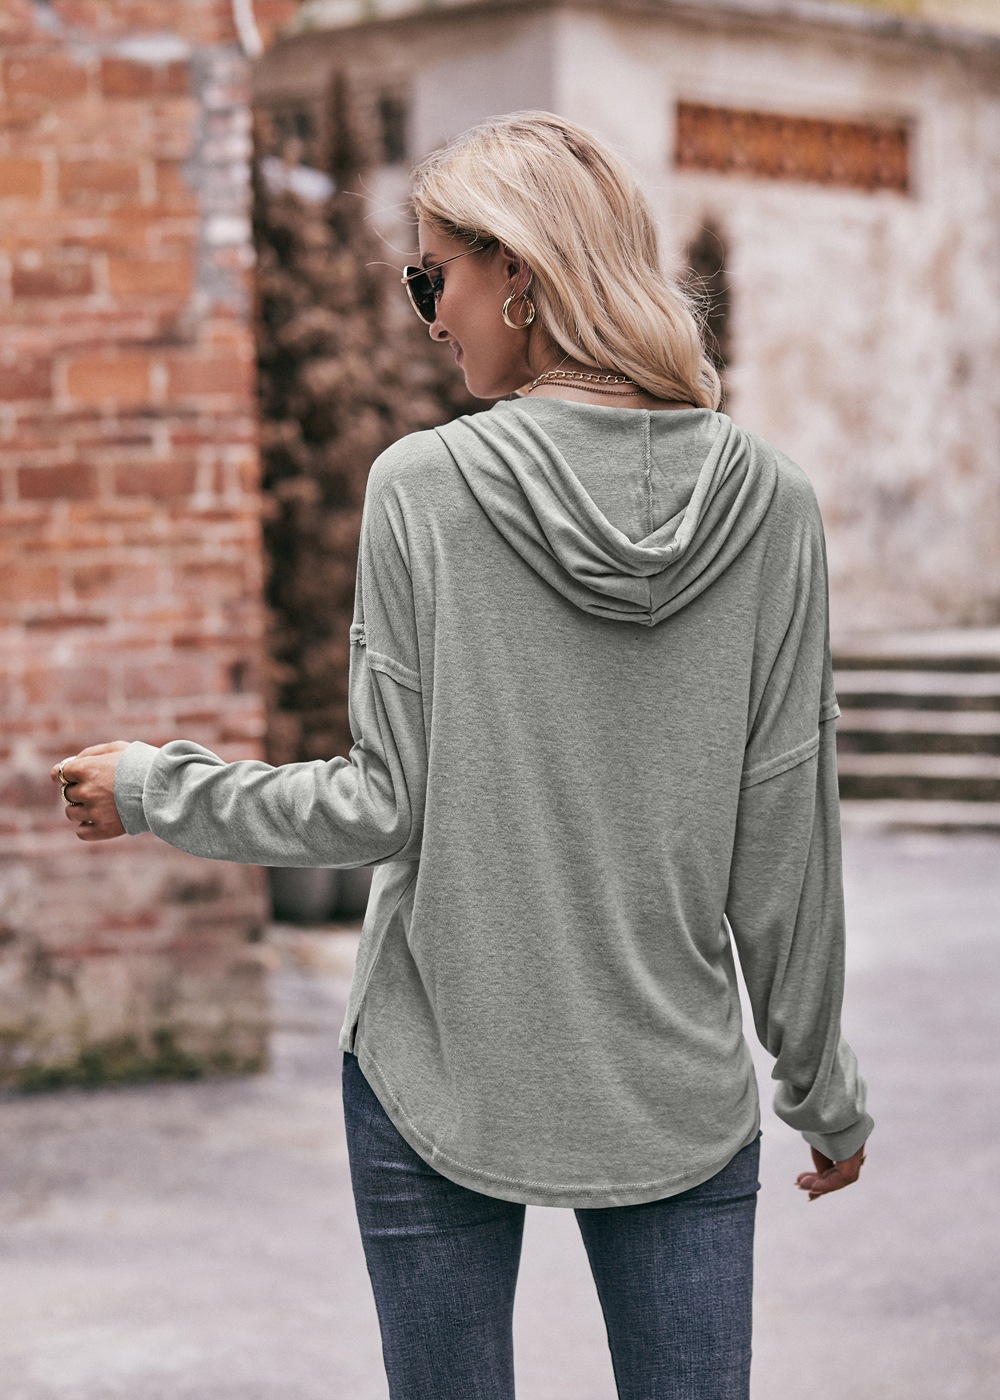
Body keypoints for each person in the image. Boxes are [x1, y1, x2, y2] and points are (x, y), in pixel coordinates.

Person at [53, 111, 871, 1400]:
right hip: (674, 1086)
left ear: (520, 276)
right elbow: (785, 848)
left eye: (433, 277)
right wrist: (823, 1092)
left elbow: (379, 805)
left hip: (435, 1069)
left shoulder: (424, 488)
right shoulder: (773, 505)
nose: (428, 317)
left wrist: (161, 787)